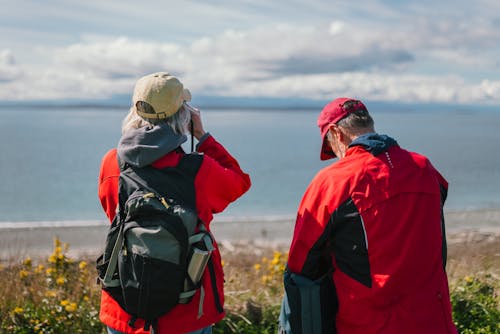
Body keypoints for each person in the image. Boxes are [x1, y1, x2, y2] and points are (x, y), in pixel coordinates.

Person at [284, 97, 457, 333]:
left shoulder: (333, 181)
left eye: (330, 146)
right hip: (435, 321)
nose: (336, 155)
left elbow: (300, 264)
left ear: (336, 133)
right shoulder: (424, 168)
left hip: (368, 324)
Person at [98, 72, 251, 334]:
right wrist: (202, 136)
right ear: (183, 114)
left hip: (125, 307)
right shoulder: (199, 169)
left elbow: (113, 211)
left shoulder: (113, 162)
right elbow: (239, 182)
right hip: (187, 308)